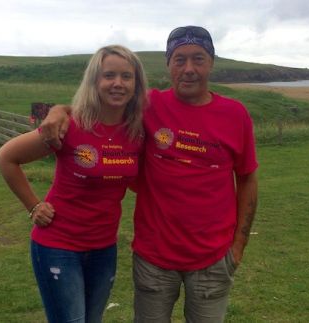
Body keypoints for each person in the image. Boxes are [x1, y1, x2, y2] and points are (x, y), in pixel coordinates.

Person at [40, 26, 258, 322]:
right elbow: (101, 104)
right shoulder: (148, 105)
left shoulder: (235, 114)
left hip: (213, 259)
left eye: (199, 59)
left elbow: (247, 178)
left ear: (212, 62)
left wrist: (238, 246)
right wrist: (59, 111)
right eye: (179, 59)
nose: (189, 69)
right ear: (168, 64)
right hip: (154, 259)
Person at [0, 44, 148, 323]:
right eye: (109, 75)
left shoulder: (136, 132)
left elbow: (137, 181)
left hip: (104, 247)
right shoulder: (69, 126)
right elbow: (6, 157)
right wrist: (33, 206)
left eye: (127, 76)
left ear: (136, 84)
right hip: (58, 245)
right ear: (95, 81)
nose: (118, 83)